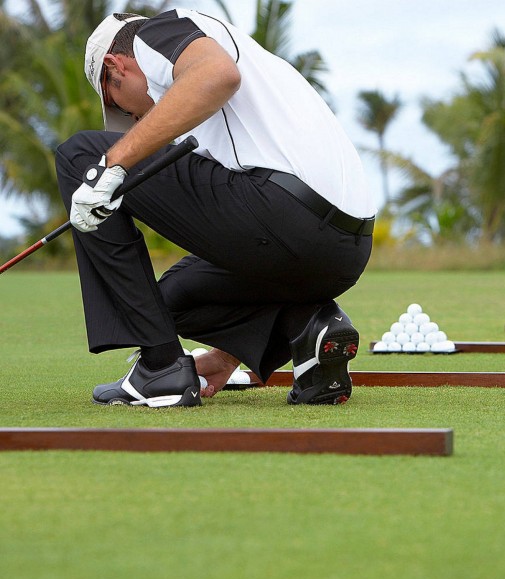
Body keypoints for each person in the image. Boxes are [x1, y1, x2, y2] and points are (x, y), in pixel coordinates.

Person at [56, 9, 375, 407]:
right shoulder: (250, 71)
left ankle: (160, 370)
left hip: (288, 214)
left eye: (116, 103)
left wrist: (111, 163)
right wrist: (227, 355)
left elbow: (218, 76)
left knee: (81, 157)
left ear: (115, 66)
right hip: (342, 254)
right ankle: (309, 326)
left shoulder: (159, 31)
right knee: (167, 304)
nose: (131, 117)